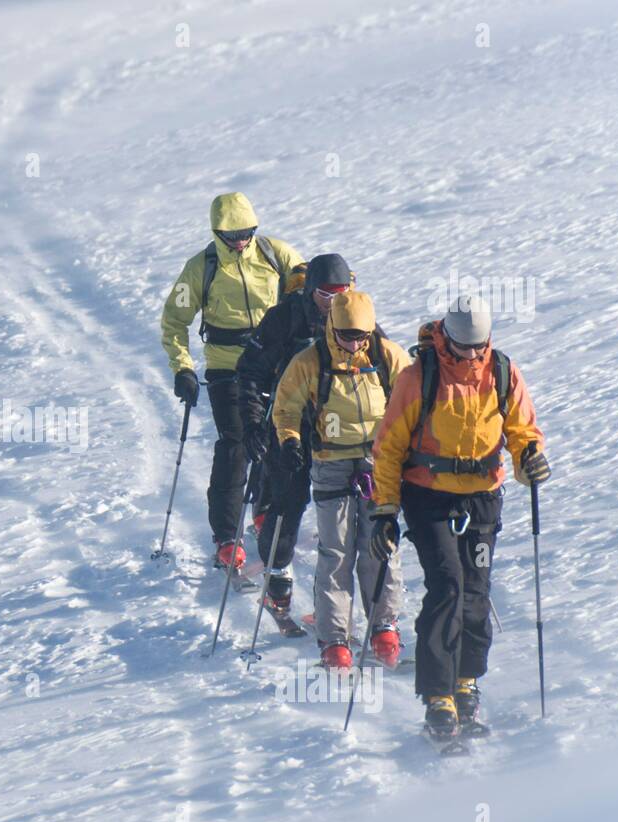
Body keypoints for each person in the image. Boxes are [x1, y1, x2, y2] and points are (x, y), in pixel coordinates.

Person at [369, 296, 551, 740]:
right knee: (448, 586)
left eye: (478, 346)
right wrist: (385, 511)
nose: (471, 355)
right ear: (445, 336)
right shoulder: (419, 377)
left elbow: (521, 430)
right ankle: (438, 696)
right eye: (463, 347)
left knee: (475, 591)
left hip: (483, 498)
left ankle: (467, 681)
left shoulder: (503, 372)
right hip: (428, 497)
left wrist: (531, 459)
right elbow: (389, 448)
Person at [160, 193, 304, 574]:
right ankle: (226, 536)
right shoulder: (201, 268)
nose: (240, 240)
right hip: (228, 368)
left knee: (275, 438)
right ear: (216, 231)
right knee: (236, 445)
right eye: (232, 234)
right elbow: (174, 321)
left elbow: (308, 291)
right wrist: (183, 368)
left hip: (274, 364)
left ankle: (265, 512)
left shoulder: (276, 255)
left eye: (247, 232)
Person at [269, 291, 410, 664]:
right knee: (336, 553)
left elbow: (414, 403)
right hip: (331, 462)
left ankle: (384, 627)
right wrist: (289, 441)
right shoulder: (310, 362)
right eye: (347, 335)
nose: (354, 343)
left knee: (380, 546)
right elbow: (285, 407)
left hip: (379, 463)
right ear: (333, 327)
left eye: (361, 335)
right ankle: (335, 640)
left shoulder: (387, 356)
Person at [236, 253, 354, 615]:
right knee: (288, 503)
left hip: (342, 429)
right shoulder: (284, 318)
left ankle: (335, 604)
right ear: (310, 291)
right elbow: (250, 372)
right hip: (290, 425)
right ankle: (278, 575)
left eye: (342, 292)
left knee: (341, 516)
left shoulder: (356, 316)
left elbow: (383, 370)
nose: (333, 301)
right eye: (325, 294)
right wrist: (255, 424)